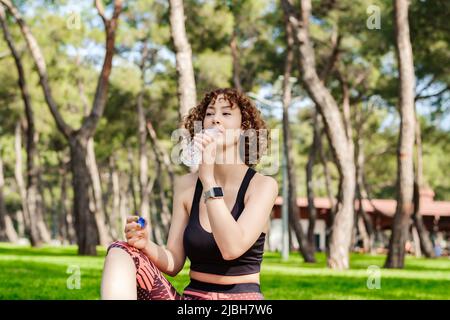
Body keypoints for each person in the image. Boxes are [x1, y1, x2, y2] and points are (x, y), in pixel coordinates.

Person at [101, 88, 279, 300]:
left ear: (244, 128)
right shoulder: (186, 186)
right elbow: (174, 262)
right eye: (210, 114)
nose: (216, 120)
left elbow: (232, 248)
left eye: (226, 113)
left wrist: (208, 179)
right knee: (120, 251)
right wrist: (145, 244)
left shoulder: (263, 185)